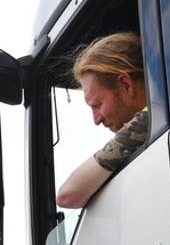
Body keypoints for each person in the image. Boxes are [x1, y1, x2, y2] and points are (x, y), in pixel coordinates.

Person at [56, 32, 150, 209]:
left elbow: (67, 196)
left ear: (126, 85)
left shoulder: (148, 120)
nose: (96, 120)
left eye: (97, 104)